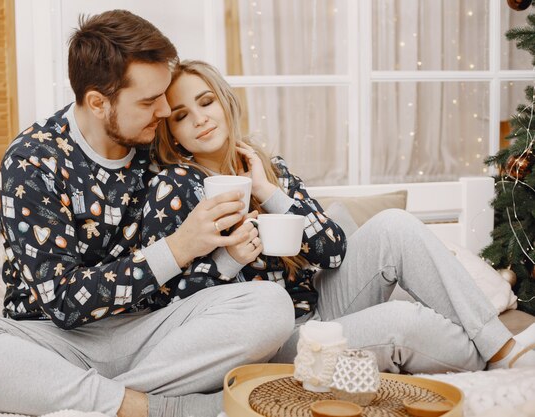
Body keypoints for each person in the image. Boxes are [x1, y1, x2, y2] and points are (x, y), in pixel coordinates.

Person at [0, 11, 295, 417]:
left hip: (154, 333)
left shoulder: (164, 145)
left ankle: (84, 401)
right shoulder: (32, 161)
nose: (166, 110)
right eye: (149, 101)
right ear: (98, 102)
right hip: (52, 343)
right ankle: (159, 407)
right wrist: (179, 247)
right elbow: (62, 302)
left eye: (164, 94)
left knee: (269, 305)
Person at [143, 59, 535, 375]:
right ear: (172, 131)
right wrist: (230, 262)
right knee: (404, 321)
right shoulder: (172, 188)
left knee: (394, 224)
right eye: (181, 115)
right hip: (270, 339)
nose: (199, 118)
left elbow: (332, 253)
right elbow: (169, 306)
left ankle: (500, 347)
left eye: (206, 101)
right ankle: (496, 355)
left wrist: (268, 192)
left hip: (321, 304)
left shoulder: (268, 167)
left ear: (225, 102)